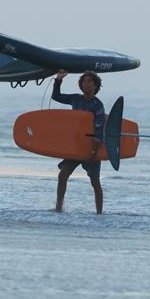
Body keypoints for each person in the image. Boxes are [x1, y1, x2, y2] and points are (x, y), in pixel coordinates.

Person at [52, 70, 105, 214]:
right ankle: (58, 208)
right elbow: (56, 96)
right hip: (76, 147)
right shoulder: (76, 99)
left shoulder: (97, 106)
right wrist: (59, 80)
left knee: (95, 182)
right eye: (84, 82)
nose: (86, 84)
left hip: (91, 148)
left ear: (95, 86)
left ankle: (99, 213)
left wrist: (93, 153)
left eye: (89, 82)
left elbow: (99, 132)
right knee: (62, 176)